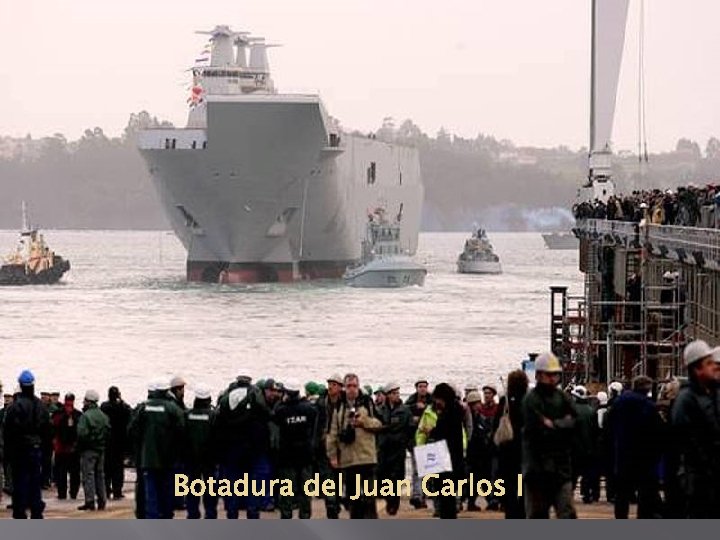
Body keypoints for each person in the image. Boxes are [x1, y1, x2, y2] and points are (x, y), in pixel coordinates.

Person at [521, 352, 577, 519]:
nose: (553, 378)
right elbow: (537, 430)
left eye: (556, 374)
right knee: (538, 515)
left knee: (567, 512)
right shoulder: (531, 400)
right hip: (537, 470)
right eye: (549, 374)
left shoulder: (562, 397)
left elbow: (575, 421)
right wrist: (562, 425)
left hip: (560, 469)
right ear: (538, 375)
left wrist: (555, 425)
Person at [671, 340, 720, 518]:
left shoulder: (712, 394)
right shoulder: (686, 401)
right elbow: (687, 444)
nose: (714, 367)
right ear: (697, 369)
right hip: (698, 483)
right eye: (709, 364)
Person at [326, 373, 382, 519]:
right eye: (349, 386)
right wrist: (332, 455)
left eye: (355, 386)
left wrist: (363, 422)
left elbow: (379, 424)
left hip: (367, 457)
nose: (352, 389)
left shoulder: (367, 403)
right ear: (344, 388)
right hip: (348, 459)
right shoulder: (339, 406)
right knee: (353, 499)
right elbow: (332, 433)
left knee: (369, 498)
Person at [128, 378, 185, 519]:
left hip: (148, 457)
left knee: (150, 490)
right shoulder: (173, 408)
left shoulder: (144, 408)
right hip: (168, 457)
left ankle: (151, 517)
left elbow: (132, 430)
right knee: (166, 488)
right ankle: (166, 515)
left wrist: (141, 446)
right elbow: (182, 430)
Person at [607, 375, 662, 518]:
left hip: (622, 453)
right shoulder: (649, 405)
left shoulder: (619, 402)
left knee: (622, 494)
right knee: (645, 494)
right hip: (643, 456)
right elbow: (657, 431)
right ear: (647, 389)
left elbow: (609, 424)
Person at [3, 370, 51, 519]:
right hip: (36, 449)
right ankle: (36, 511)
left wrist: (8, 453)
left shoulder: (14, 407)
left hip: (20, 450)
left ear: (20, 385)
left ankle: (20, 512)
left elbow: (8, 431)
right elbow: (47, 430)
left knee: (20, 482)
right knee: (35, 482)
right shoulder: (41, 406)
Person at [274, 380, 317, 519]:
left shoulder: (281, 410)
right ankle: (305, 518)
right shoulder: (309, 409)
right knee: (306, 492)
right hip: (305, 455)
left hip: (287, 457)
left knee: (286, 492)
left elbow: (276, 420)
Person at [494, 370, 528, 519]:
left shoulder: (505, 402)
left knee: (509, 483)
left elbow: (496, 424)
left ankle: (510, 509)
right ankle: (522, 509)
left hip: (507, 448)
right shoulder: (528, 401)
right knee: (523, 482)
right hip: (524, 448)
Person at [428, 383, 465, 519]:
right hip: (453, 460)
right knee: (448, 498)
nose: (436, 403)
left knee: (446, 500)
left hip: (447, 462)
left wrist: (432, 431)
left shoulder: (448, 414)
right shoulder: (455, 411)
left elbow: (442, 434)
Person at [376, 382, 413, 516]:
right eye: (393, 393)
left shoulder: (405, 410)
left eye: (397, 393)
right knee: (382, 475)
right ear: (387, 395)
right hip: (383, 448)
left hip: (398, 449)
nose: (396, 395)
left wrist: (409, 445)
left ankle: (393, 504)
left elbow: (409, 429)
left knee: (396, 478)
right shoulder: (380, 410)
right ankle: (387, 499)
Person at [184, 385, 218, 519]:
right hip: (209, 459)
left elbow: (183, 435)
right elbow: (217, 437)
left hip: (191, 458)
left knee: (192, 489)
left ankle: (192, 514)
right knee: (210, 490)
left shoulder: (188, 415)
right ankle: (210, 514)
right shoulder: (213, 416)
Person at [315, 373, 343, 518]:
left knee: (339, 480)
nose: (331, 387)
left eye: (334, 384)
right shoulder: (321, 403)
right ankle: (331, 507)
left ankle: (336, 503)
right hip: (323, 448)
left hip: (341, 448)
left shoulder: (345, 404)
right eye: (330, 384)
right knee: (327, 480)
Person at [77, 390, 110, 511]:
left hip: (88, 450)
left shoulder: (85, 416)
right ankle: (102, 500)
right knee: (100, 475)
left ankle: (90, 501)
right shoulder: (103, 415)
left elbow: (81, 434)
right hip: (101, 449)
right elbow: (108, 431)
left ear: (88, 401)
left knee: (88, 475)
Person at [101, 386, 132, 500]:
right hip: (119, 442)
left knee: (107, 468)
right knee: (118, 469)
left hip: (108, 441)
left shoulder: (104, 406)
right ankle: (117, 491)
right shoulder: (122, 407)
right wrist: (121, 400)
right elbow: (130, 412)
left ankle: (106, 490)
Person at [405, 377, 432, 509]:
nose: (422, 388)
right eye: (420, 386)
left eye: (424, 386)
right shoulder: (410, 402)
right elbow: (404, 415)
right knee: (417, 470)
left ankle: (425, 495)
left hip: (430, 441)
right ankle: (417, 496)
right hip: (415, 441)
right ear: (416, 388)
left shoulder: (432, 401)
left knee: (429, 470)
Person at [570, 386, 599, 504]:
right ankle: (586, 494)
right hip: (588, 448)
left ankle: (569, 494)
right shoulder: (591, 411)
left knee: (572, 474)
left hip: (573, 449)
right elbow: (595, 431)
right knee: (587, 474)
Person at [51, 393, 82, 500]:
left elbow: (53, 428)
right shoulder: (78, 414)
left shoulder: (58, 414)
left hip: (62, 448)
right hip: (72, 448)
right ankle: (73, 493)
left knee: (62, 473)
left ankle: (62, 493)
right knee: (74, 473)